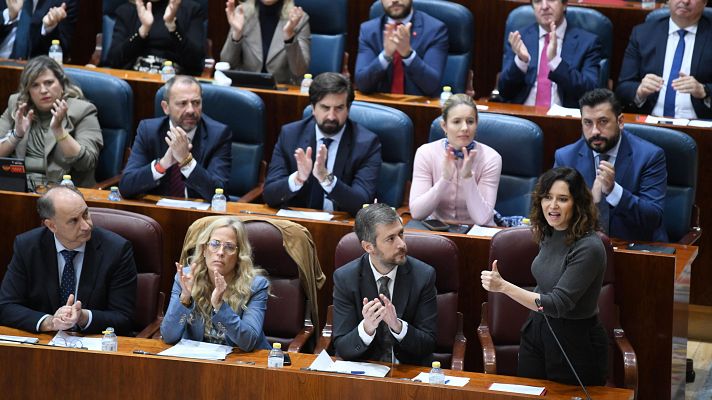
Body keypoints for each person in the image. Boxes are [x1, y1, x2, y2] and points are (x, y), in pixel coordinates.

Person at [481, 166, 608, 386]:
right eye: (547, 197)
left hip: (574, 340)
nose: (553, 206)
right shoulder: (549, 232)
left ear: (577, 204)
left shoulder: (589, 248)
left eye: (562, 199)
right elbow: (544, 285)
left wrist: (503, 287)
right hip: (537, 328)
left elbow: (557, 304)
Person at [0, 186, 137, 335]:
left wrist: (82, 317)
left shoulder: (117, 250)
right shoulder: (28, 246)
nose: (86, 225)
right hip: (44, 344)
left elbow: (124, 318)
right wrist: (49, 322)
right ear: (52, 225)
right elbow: (6, 306)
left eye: (85, 214)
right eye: (73, 221)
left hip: (93, 344)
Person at [554, 88, 667, 242]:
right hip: (583, 250)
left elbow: (653, 217)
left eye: (603, 122)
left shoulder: (649, 156)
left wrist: (614, 191)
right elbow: (554, 210)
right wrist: (589, 202)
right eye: (588, 123)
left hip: (636, 249)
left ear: (620, 122)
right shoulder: (566, 157)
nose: (595, 131)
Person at [263, 72, 381, 216]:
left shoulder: (366, 143)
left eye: (339, 108)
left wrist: (326, 179)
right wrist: (298, 178)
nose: (331, 116)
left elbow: (362, 203)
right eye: (325, 108)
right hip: (297, 225)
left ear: (348, 109)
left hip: (344, 227)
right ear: (313, 108)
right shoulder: (291, 135)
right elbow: (269, 195)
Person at [332, 203, 437, 365]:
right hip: (366, 374)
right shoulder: (346, 278)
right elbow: (342, 348)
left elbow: (428, 345)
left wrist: (398, 326)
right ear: (368, 247)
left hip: (409, 373)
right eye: (391, 239)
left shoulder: (423, 275)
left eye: (401, 234)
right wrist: (366, 328)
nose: (401, 244)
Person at [160, 217, 271, 351]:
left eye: (229, 247)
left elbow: (248, 342)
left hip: (242, 363)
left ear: (239, 255)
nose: (220, 252)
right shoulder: (185, 278)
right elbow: (168, 336)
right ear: (204, 250)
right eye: (215, 244)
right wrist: (185, 298)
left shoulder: (255, 286)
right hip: (199, 362)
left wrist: (220, 306)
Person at [119, 75, 231, 201]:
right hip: (155, 214)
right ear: (166, 107)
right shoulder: (148, 131)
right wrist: (162, 164)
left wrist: (186, 161)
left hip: (200, 216)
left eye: (196, 103)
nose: (190, 110)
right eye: (182, 103)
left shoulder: (218, 134)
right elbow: (126, 187)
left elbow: (219, 193)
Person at [0, 55, 103, 189]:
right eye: (35, 85)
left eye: (49, 83)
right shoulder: (18, 106)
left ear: (62, 84)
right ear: (28, 91)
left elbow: (87, 163)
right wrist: (16, 136)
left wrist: (59, 131)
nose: (43, 90)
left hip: (64, 193)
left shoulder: (82, 111)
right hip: (17, 190)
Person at [409, 93, 502, 226]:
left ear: (477, 124)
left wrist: (468, 178)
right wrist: (445, 179)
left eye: (470, 121)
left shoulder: (491, 158)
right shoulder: (426, 153)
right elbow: (417, 213)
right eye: (457, 121)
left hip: (476, 234)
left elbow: (482, 219)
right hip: (437, 231)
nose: (464, 128)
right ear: (444, 126)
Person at [616, 0, 712, 119]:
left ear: (705, 2)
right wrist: (639, 90)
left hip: (701, 125)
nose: (685, 1)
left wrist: (704, 91)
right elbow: (623, 88)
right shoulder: (642, 34)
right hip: (651, 123)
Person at [497, 0, 602, 108]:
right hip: (522, 117)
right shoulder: (519, 38)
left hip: (564, 120)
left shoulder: (587, 42)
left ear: (564, 4)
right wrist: (521, 61)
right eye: (537, 1)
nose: (544, 6)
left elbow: (591, 93)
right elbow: (504, 92)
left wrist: (555, 62)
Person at [354, 0, 448, 97]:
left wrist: (408, 55)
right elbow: (362, 84)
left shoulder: (434, 30)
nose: (394, 0)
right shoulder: (368, 31)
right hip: (380, 107)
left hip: (420, 107)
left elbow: (431, 85)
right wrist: (385, 55)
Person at [220, 0, 310, 85]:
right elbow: (227, 64)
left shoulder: (298, 19)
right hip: (246, 88)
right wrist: (237, 34)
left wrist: (289, 38)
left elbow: (300, 71)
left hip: (281, 91)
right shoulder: (242, 13)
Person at [104, 0, 205, 76]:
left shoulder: (191, 10)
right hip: (133, 80)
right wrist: (142, 31)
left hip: (176, 83)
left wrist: (172, 27)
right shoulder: (127, 10)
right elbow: (113, 61)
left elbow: (196, 63)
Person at [0, 0, 77, 60]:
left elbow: (63, 50)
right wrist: (9, 15)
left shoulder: (64, 2)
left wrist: (48, 29)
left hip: (36, 72)